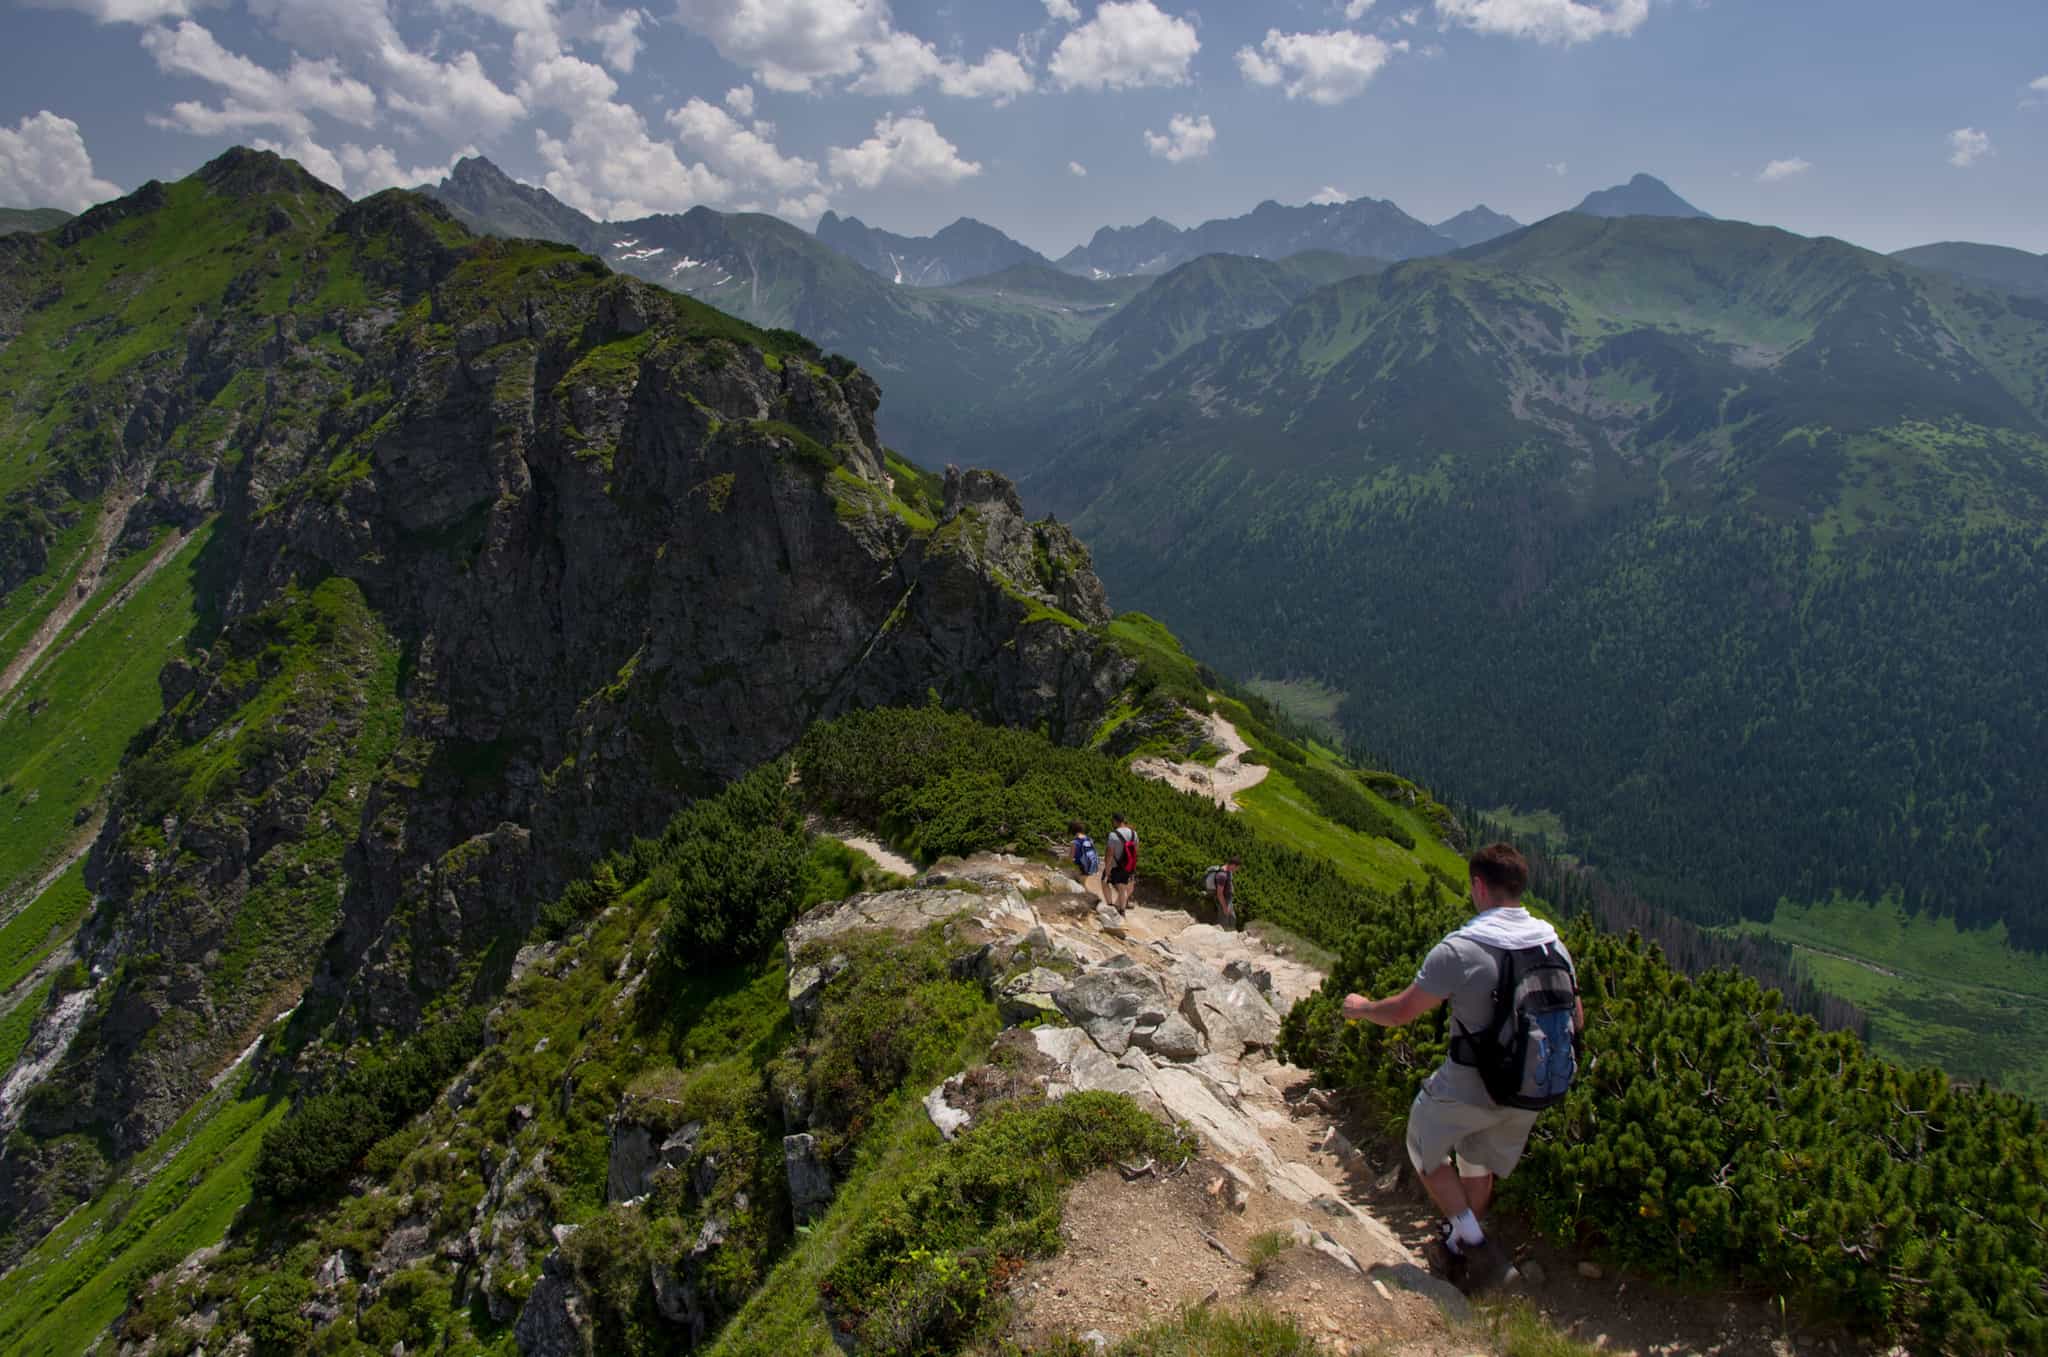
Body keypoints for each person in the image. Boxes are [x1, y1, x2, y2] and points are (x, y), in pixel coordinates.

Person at [1340, 842, 1584, 1295]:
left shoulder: (1462, 948)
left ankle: (1476, 1246)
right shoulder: (1554, 944)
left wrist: (1361, 1008)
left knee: (1422, 1145)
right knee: (1478, 1161)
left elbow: (1401, 1012)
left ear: (1478, 885)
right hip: (1532, 1089)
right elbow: (1577, 1019)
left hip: (1472, 1084)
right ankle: (1456, 1253)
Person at [1104, 813, 1139, 916]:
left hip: (1117, 866)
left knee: (1111, 884)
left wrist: (1107, 869)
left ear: (1115, 821)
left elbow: (1110, 854)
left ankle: (1118, 909)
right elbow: (1136, 851)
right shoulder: (1134, 834)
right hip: (1129, 865)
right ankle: (1120, 908)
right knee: (1123, 887)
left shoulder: (1113, 835)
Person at [1204, 857, 1241, 930]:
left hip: (1228, 900)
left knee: (1232, 919)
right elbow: (1219, 894)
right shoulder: (1222, 875)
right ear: (1233, 865)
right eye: (1237, 868)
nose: (1237, 870)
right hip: (1224, 901)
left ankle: (1231, 935)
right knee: (1224, 922)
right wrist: (1224, 907)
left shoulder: (1228, 871)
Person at [1069, 820, 1101, 900]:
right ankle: (1090, 898)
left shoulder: (1075, 842)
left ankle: (1091, 899)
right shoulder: (1090, 839)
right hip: (1089, 865)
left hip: (1080, 866)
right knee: (1083, 883)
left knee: (1080, 884)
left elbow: (1070, 858)